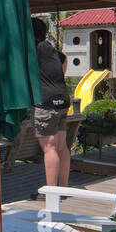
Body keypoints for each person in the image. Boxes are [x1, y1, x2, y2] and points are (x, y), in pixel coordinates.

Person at [31, 16, 70, 187]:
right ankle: (64, 188)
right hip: (62, 100)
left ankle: (51, 196)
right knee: (62, 147)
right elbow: (64, 59)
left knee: (49, 148)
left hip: (45, 103)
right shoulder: (51, 49)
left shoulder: (32, 49)